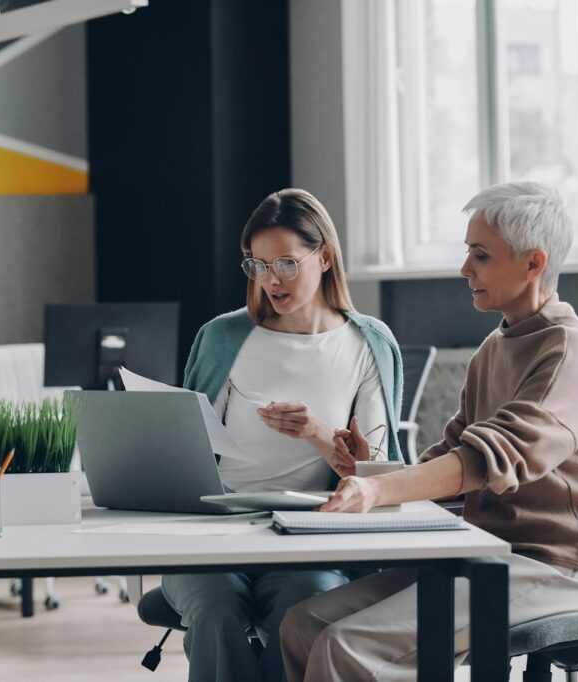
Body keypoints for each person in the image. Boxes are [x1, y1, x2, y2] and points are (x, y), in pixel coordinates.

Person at [280, 181, 578, 682]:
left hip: (556, 567)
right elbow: (449, 456)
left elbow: (486, 460)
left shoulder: (572, 350)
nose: (465, 269)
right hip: (481, 553)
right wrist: (370, 472)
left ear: (533, 263)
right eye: (468, 253)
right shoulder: (494, 348)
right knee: (303, 624)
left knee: (344, 648)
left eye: (480, 256)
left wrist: (378, 490)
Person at [163, 188, 405, 682]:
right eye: (258, 264)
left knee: (308, 604)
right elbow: (182, 453)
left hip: (309, 535)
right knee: (214, 610)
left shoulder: (366, 344)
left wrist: (318, 433)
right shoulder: (223, 338)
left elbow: (375, 475)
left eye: (287, 264)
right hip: (212, 530)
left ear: (326, 257)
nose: (272, 279)